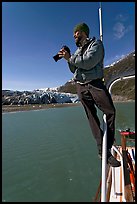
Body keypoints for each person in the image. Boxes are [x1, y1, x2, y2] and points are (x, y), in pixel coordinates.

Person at [58, 22, 121, 167]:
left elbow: (88, 62)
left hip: (95, 84)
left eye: (76, 32)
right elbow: (74, 69)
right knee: (92, 117)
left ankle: (108, 144)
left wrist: (70, 58)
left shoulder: (96, 45)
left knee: (110, 112)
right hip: (81, 86)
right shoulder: (77, 51)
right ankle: (103, 151)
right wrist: (68, 58)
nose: (74, 35)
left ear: (83, 32)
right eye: (74, 33)